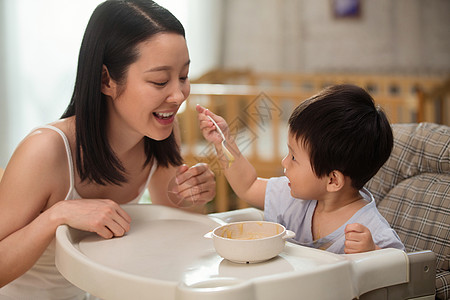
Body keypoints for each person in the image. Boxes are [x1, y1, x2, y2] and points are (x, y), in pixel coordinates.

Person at [0, 0, 216, 298]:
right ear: (106, 80)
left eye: (183, 77)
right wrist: (57, 215)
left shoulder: (161, 131)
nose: (178, 95)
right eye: (160, 81)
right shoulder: (46, 150)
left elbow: (175, 223)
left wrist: (193, 196)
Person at [197, 84, 405, 254]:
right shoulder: (293, 198)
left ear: (333, 180)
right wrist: (223, 141)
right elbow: (248, 185)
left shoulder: (370, 230)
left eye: (294, 157)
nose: (284, 162)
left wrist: (373, 252)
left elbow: (402, 274)